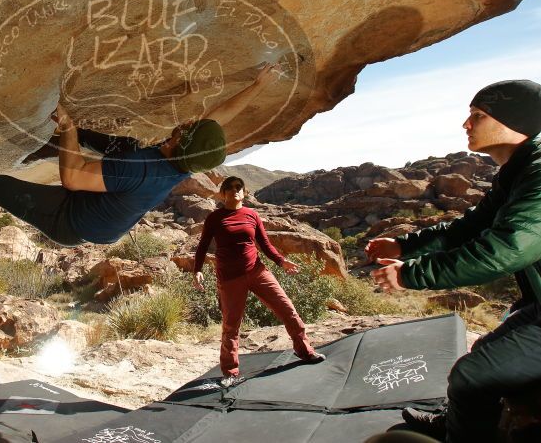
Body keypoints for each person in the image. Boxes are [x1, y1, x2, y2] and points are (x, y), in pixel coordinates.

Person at [0, 63, 286, 247]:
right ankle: (54, 142)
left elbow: (73, 180)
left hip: (71, 222)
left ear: (179, 144)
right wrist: (259, 85)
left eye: (185, 131)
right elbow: (219, 116)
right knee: (113, 142)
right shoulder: (184, 157)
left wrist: (67, 129)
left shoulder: (142, 167)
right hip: (103, 207)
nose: (184, 123)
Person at [366, 79, 541, 442]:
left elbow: (506, 249)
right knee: (484, 351)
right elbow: (472, 226)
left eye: (478, 115)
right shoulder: (519, 171)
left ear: (517, 121)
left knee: (472, 375)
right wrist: (403, 246)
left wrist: (410, 275)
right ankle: (463, 421)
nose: (466, 125)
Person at [193, 175, 325, 387]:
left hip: (257, 271)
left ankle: (305, 351)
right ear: (223, 193)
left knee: (287, 309)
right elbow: (202, 245)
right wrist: (197, 270)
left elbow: (264, 244)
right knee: (231, 326)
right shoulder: (215, 218)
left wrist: (282, 262)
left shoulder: (252, 215)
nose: (235, 190)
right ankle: (230, 372)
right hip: (229, 278)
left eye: (239, 187)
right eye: (229, 188)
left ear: (244, 193)